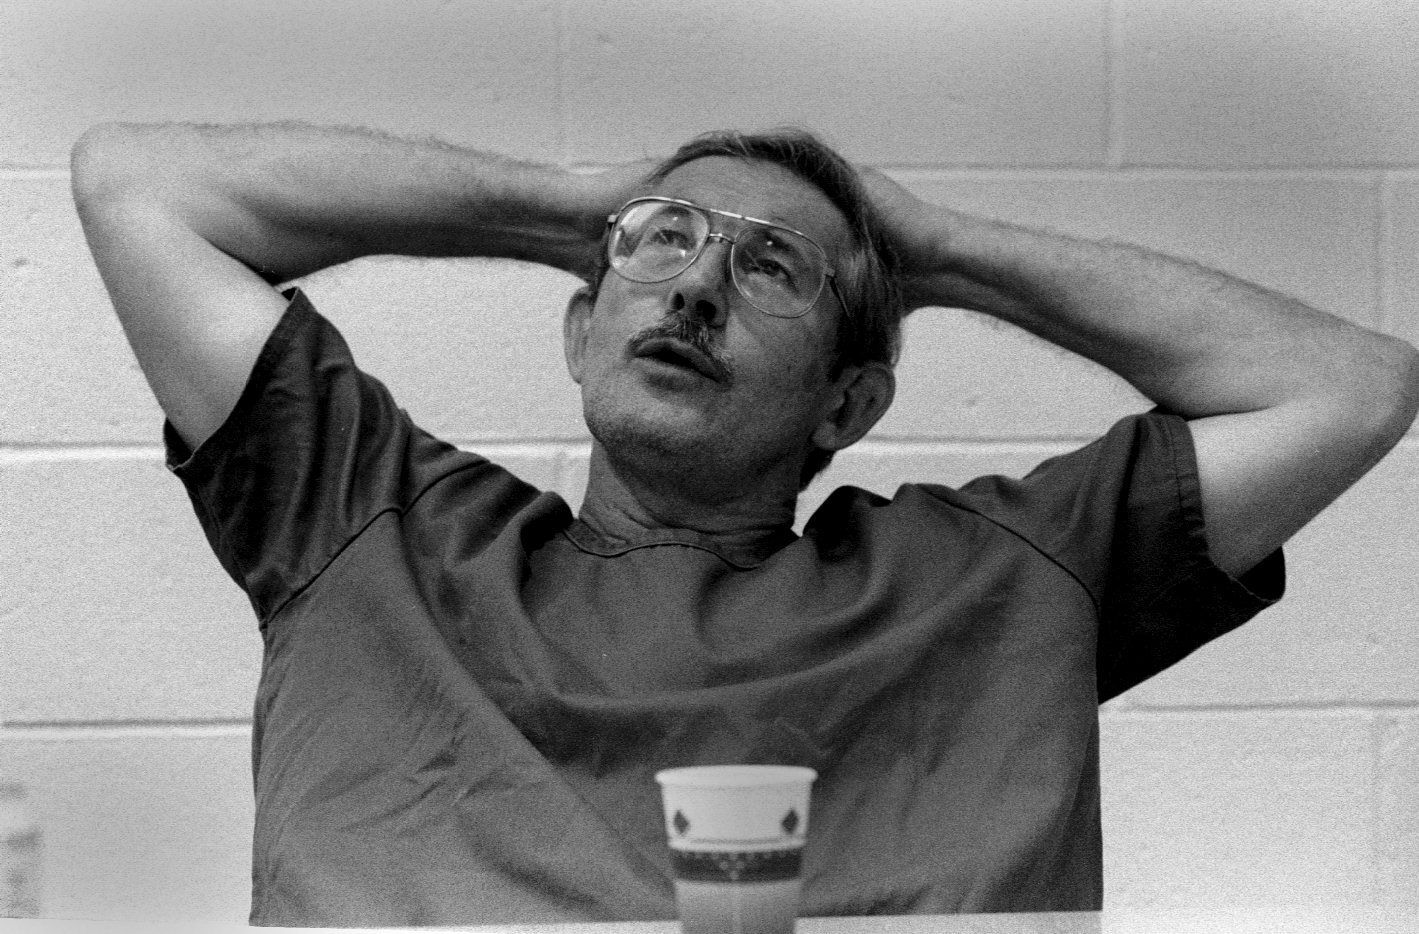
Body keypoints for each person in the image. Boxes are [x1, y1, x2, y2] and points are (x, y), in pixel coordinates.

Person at [71, 122, 1418, 926]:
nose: (696, 289)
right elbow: (138, 184)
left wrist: (942, 250)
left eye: (772, 264)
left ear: (848, 403)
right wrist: (566, 210)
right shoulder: (371, 522)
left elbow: (1352, 386)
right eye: (663, 242)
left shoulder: (999, 578)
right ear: (580, 327)